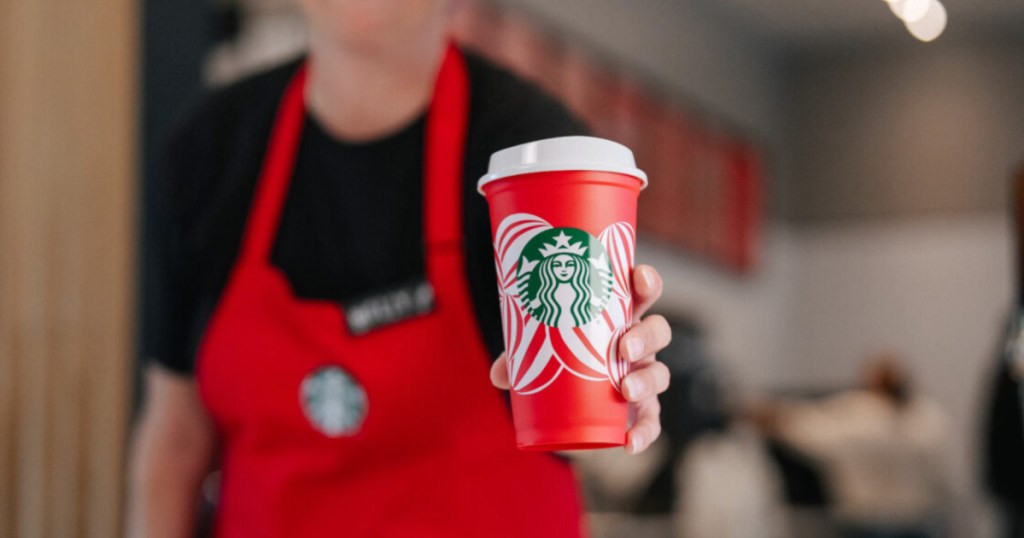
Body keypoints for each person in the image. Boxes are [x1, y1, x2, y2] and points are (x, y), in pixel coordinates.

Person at [127, 1, 672, 537]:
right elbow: (176, 437)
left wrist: (616, 380)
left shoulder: (530, 154)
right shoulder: (207, 151)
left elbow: (578, 390)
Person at [752, 354, 947, 538]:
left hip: (866, 525)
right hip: (915, 524)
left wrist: (771, 415)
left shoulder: (861, 415)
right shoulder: (928, 418)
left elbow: (810, 428)